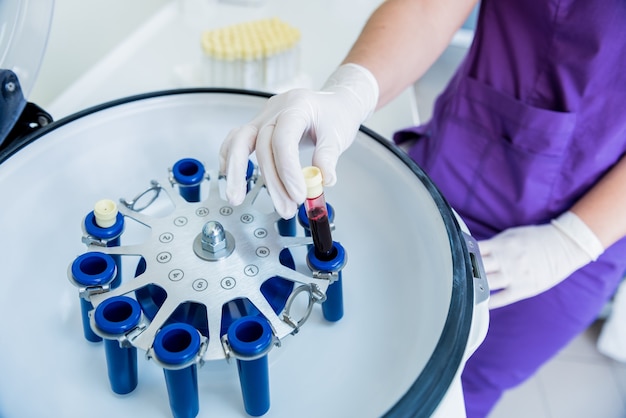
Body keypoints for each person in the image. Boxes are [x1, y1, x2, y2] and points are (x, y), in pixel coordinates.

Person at [219, 0, 626, 416]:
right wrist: (351, 90)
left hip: (592, 212)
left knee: (458, 387)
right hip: (461, 147)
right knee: (377, 347)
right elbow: (428, 9)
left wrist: (572, 240)